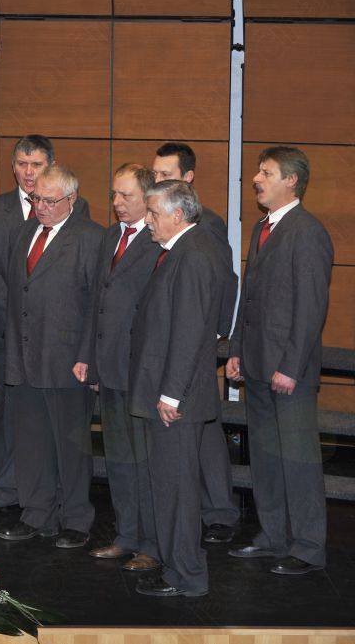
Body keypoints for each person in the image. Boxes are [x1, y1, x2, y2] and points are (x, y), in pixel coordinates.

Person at [226, 146, 333, 576]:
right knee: (267, 459)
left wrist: (290, 366)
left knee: (298, 461)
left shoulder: (306, 231)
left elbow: (310, 308)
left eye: (266, 172)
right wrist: (236, 349)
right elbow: (249, 298)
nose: (256, 178)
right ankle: (273, 536)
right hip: (256, 364)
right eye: (258, 171)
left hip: (289, 371)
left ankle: (307, 547)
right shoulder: (263, 228)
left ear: (291, 180)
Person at [0, 135, 89, 517]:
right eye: (22, 164)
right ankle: (20, 498)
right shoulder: (5, 217)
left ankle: (64, 508)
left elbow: (81, 286)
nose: (28, 172)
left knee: (61, 434)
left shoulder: (82, 221)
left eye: (36, 165)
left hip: (59, 345)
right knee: (20, 426)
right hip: (13, 336)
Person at [129, 180, 231, 598]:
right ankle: (177, 570)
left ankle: (186, 576)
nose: (147, 220)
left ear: (176, 215)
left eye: (153, 213)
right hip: (173, 394)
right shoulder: (184, 250)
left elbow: (189, 332)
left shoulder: (192, 255)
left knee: (178, 491)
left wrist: (171, 394)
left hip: (177, 400)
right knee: (170, 487)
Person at [0, 164, 102, 549]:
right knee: (31, 443)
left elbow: (96, 305)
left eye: (49, 200)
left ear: (72, 199)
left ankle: (75, 518)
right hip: (25, 358)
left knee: (71, 446)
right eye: (35, 198)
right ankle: (36, 512)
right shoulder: (24, 232)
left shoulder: (90, 238)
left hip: (68, 361)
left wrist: (88, 357)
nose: (40, 206)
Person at [152, 142, 240, 544]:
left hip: (195, 348)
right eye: (155, 174)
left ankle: (219, 511)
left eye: (166, 175)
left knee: (204, 434)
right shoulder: (157, 223)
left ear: (187, 178)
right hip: (170, 348)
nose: (157, 180)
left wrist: (217, 334)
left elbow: (224, 281)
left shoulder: (206, 225)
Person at [87, 164, 161, 572]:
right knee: (119, 460)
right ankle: (127, 535)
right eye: (114, 194)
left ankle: (152, 543)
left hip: (141, 372)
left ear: (147, 198)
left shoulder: (158, 240)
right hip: (111, 368)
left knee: (146, 463)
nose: (116, 202)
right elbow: (98, 304)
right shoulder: (110, 237)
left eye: (126, 195)